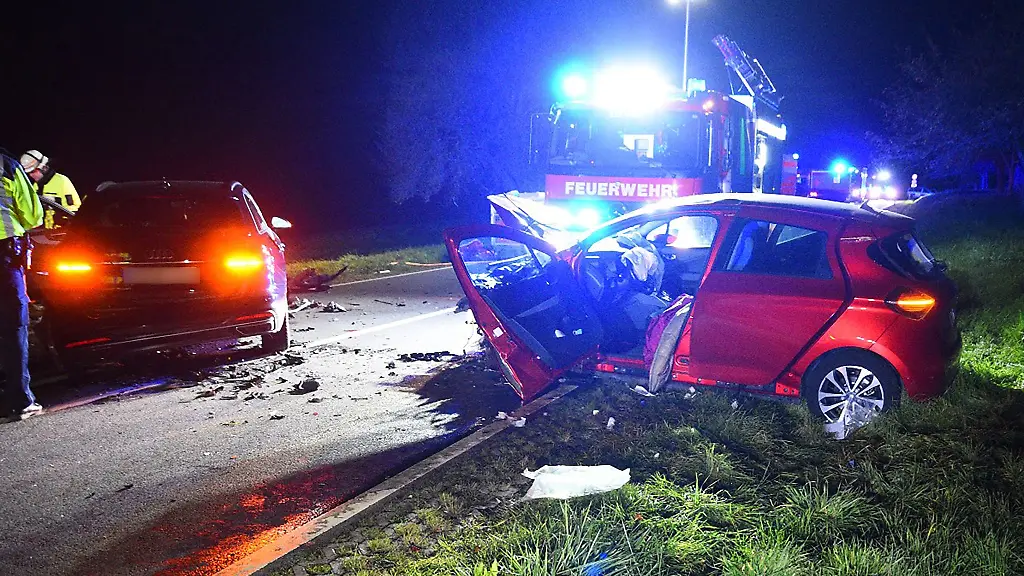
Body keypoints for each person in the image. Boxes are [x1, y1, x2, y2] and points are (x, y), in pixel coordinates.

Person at [0, 152, 44, 422]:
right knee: (13, 324)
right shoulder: (6, 165)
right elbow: (32, 216)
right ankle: (19, 400)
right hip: (5, 253)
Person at [19, 150, 80, 229]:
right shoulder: (35, 186)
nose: (31, 175)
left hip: (62, 231)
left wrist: (62, 222)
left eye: (33, 171)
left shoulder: (61, 181)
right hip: (46, 233)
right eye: (29, 173)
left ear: (43, 168)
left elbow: (73, 208)